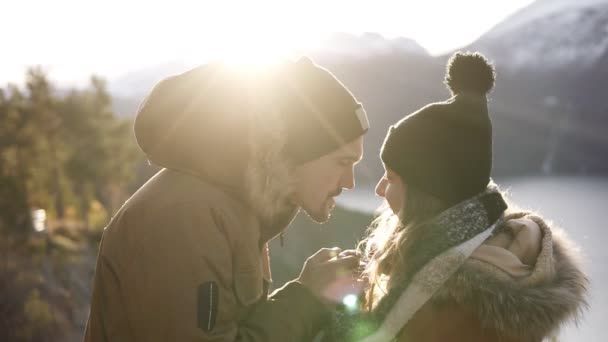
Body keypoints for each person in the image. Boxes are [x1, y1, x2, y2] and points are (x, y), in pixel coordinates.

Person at [84, 57, 370, 341]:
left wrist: (308, 291)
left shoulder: (233, 208)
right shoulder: (187, 217)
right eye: (343, 162)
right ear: (298, 153)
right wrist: (306, 298)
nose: (349, 182)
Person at [327, 52, 588, 342]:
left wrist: (334, 311)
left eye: (390, 177)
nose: (378, 189)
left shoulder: (450, 305)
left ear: (425, 192)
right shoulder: (494, 252)